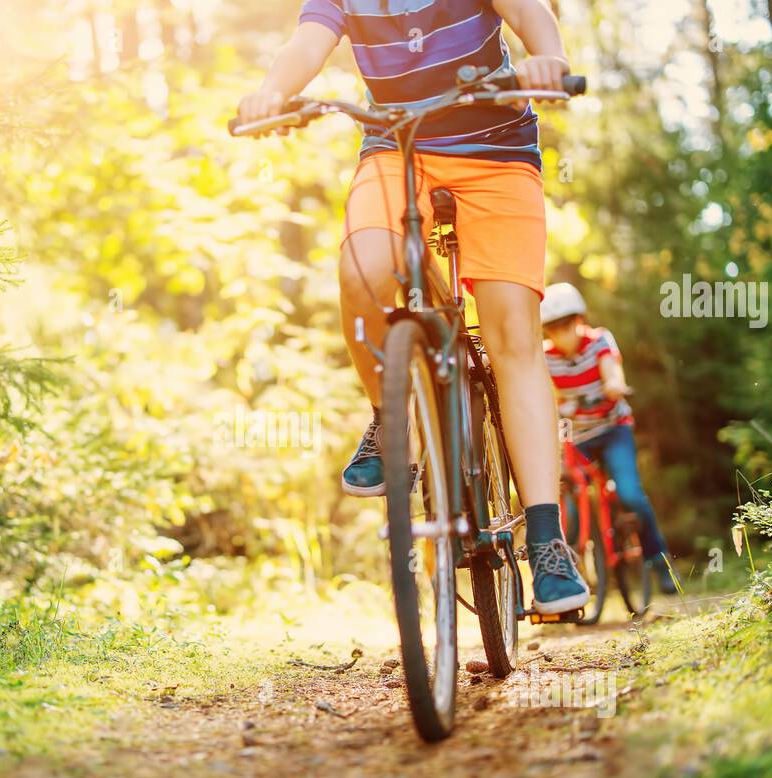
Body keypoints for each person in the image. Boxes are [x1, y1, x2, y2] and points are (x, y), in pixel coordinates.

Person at [236, 0, 589, 613]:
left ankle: (547, 539)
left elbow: (532, 15)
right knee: (362, 271)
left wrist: (548, 58)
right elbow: (306, 46)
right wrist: (271, 92)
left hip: (497, 151)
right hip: (395, 151)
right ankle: (389, 418)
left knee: (513, 335)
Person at [541, 282, 677, 594]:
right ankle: (571, 568)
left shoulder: (599, 340)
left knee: (629, 493)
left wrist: (613, 385)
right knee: (564, 500)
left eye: (566, 325)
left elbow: (612, 372)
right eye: (553, 328)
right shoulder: (546, 358)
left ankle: (660, 561)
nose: (561, 334)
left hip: (613, 430)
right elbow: (547, 394)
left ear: (579, 320)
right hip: (577, 439)